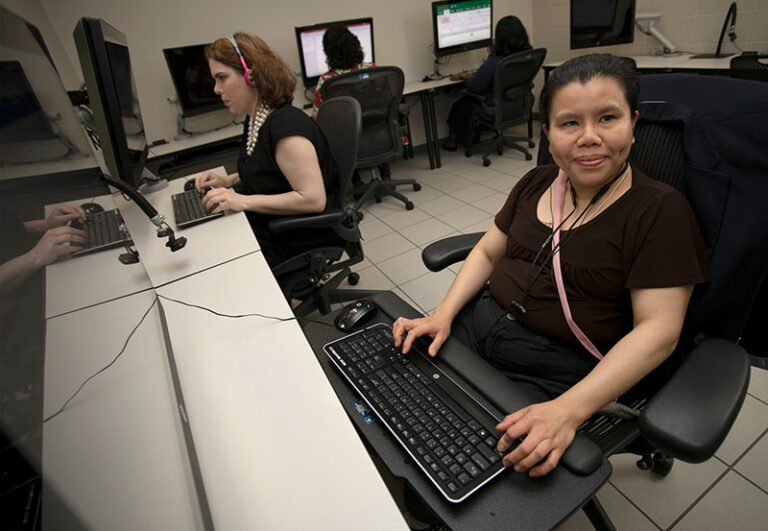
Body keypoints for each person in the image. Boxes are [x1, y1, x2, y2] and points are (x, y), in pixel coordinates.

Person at [393, 54, 708, 478]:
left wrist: (567, 411)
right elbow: (487, 253)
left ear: (633, 124)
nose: (589, 137)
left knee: (460, 465)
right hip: (477, 325)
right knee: (395, 403)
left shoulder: (659, 212)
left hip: (555, 370)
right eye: (569, 123)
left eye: (607, 118)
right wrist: (443, 314)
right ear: (548, 133)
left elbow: (659, 332)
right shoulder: (535, 182)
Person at [195, 32, 343, 268]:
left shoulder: (287, 129)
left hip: (298, 236)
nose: (217, 89)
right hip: (275, 223)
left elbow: (313, 200)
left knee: (216, 260)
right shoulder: (256, 118)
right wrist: (227, 181)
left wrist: (243, 201)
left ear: (251, 75)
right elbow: (268, 171)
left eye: (222, 77)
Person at [443, 15, 532, 151]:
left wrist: (466, 78)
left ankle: (455, 140)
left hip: (495, 106)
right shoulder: (528, 56)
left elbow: (475, 86)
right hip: (520, 104)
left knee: (460, 105)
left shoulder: (496, 60)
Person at [312, 25, 374, 117]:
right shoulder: (372, 70)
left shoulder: (327, 81)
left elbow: (317, 116)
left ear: (327, 53)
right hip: (375, 123)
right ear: (356, 44)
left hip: (345, 126)